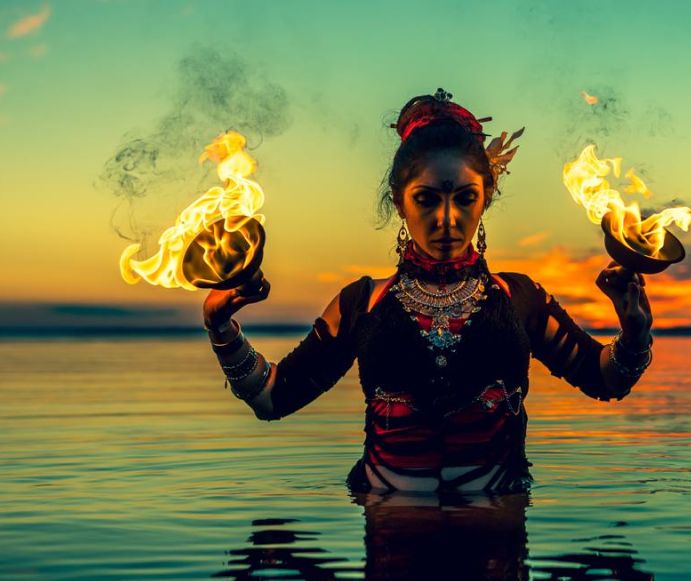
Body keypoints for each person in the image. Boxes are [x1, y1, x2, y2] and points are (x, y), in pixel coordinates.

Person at [202, 89, 654, 494]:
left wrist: (635, 333)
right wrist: (221, 328)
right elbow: (273, 398)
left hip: (496, 546)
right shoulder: (361, 304)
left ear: (486, 197)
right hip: (391, 543)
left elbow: (605, 380)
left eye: (465, 198)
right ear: (400, 201)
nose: (447, 219)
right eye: (426, 199)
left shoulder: (520, 299)